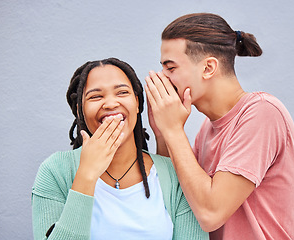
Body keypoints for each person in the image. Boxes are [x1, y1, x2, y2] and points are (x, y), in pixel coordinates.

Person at [145, 13, 294, 239]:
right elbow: (176, 199)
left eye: (171, 68)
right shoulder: (207, 130)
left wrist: (174, 131)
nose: (162, 77)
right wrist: (163, 135)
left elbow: (210, 213)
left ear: (208, 68)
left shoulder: (263, 112)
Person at [31, 57, 209, 240]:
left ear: (138, 102)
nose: (110, 104)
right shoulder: (55, 171)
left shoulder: (175, 174)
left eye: (122, 92)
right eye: (95, 96)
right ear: (79, 111)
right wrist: (86, 175)